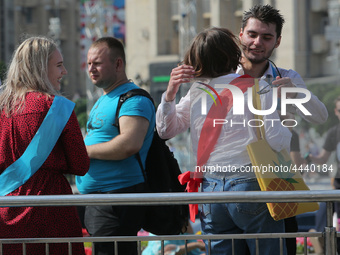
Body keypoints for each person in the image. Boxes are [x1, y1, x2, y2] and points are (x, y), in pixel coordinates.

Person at [156, 27, 291, 254]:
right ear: (233, 55)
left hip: (211, 189)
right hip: (251, 182)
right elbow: (277, 141)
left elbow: (165, 130)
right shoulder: (258, 88)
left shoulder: (198, 91)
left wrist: (170, 94)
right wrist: (285, 119)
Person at [0, 36, 90, 254]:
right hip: (50, 208)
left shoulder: (2, 108)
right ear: (40, 68)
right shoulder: (55, 107)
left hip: (5, 207)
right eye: (59, 65)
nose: (64, 71)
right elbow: (80, 165)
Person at [75, 37, 155, 255]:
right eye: (89, 63)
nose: (91, 68)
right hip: (101, 198)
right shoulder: (106, 98)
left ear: (118, 64)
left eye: (97, 63)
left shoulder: (133, 99)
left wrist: (82, 153)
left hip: (116, 197)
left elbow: (129, 144)